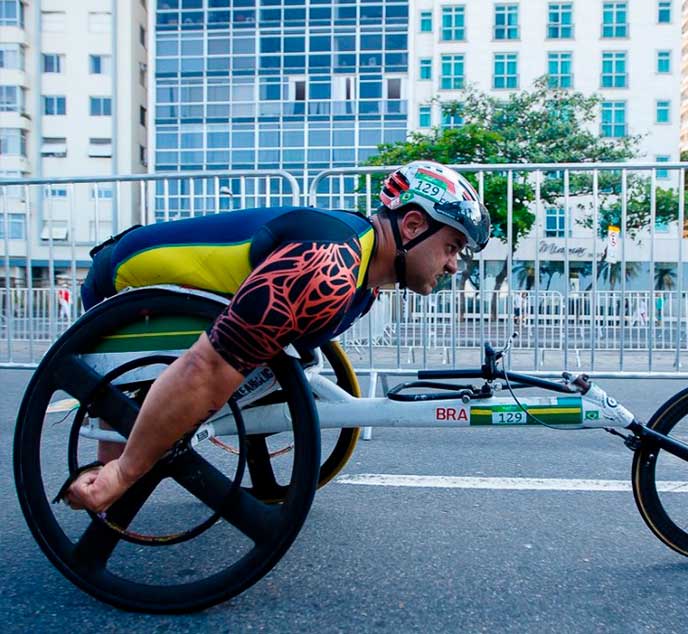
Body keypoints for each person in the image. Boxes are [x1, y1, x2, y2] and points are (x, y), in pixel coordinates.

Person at [62, 160, 491, 513]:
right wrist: (123, 472)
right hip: (120, 284)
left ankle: (117, 462)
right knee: (123, 465)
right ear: (413, 225)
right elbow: (206, 367)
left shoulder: (366, 279)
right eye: (452, 247)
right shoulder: (328, 265)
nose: (454, 265)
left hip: (170, 287)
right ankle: (114, 466)